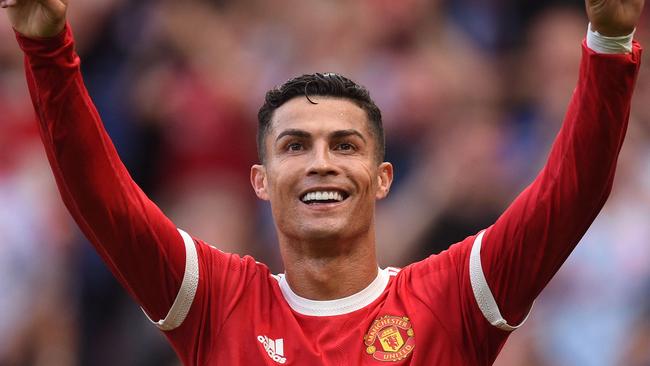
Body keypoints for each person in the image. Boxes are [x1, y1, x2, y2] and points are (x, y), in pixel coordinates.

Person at [2, 0, 644, 364]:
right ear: (259, 180)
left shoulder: (452, 298)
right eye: (294, 146)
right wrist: (46, 50)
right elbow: (101, 199)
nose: (321, 163)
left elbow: (574, 192)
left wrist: (610, 43)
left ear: (384, 177)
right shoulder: (216, 304)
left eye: (346, 145)